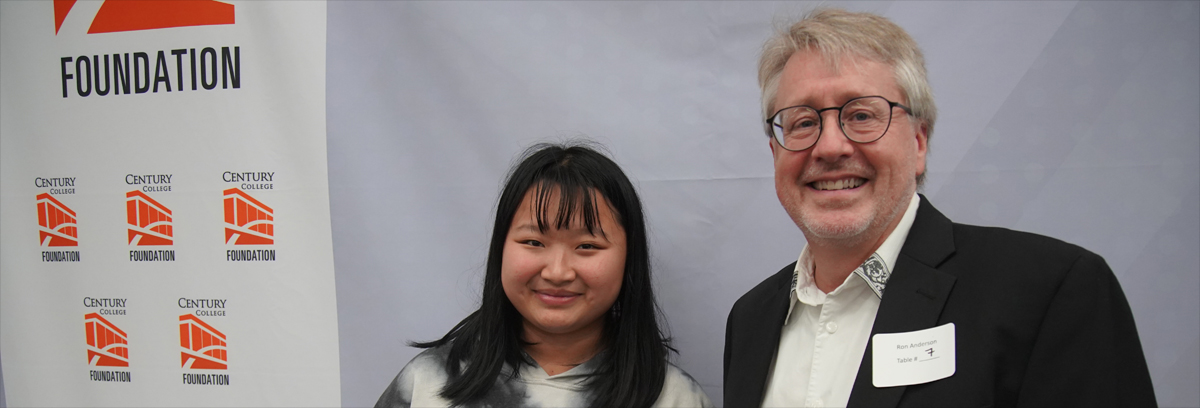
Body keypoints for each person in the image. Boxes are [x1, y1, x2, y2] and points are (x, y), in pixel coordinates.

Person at [723, 8, 1156, 408]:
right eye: (803, 122)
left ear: (919, 142)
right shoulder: (751, 319)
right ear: (775, 152)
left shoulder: (1050, 292)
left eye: (861, 116)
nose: (831, 146)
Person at [377, 143, 712, 408]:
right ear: (501, 249)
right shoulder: (427, 383)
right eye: (533, 242)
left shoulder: (674, 399)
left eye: (587, 246)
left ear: (629, 259)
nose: (557, 272)